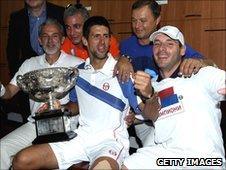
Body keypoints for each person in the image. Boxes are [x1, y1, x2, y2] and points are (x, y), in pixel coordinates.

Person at [11, 16, 155, 170]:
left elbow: (146, 112)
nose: (102, 42)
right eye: (96, 36)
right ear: (85, 41)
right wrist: (60, 109)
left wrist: (142, 106)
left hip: (110, 142)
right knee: (22, 160)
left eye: (106, 36)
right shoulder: (78, 73)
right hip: (81, 138)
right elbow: (76, 104)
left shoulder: (123, 73)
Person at [122, 25, 226, 169]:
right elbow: (148, 114)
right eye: (157, 44)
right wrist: (148, 96)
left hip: (204, 159)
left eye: (170, 44)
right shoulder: (153, 86)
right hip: (168, 158)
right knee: (128, 165)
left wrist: (205, 63)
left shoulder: (202, 74)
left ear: (182, 50)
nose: (162, 48)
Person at [120, 0, 214, 148]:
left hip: (171, 113)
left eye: (143, 21)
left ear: (157, 20)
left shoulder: (169, 43)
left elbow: (208, 62)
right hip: (141, 116)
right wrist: (121, 59)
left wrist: (200, 63)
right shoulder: (125, 45)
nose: (137, 26)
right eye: (134, 20)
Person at [0, 18, 83, 169]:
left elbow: (83, 103)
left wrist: (60, 109)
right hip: (35, 125)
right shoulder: (29, 64)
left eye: (55, 35)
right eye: (45, 36)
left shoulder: (77, 64)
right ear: (39, 40)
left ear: (63, 39)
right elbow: (9, 92)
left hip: (66, 126)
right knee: (1, 149)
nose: (50, 41)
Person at [5, 0, 64, 123]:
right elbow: (12, 50)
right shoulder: (17, 17)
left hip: (58, 70)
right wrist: (19, 78)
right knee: (30, 119)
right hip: (30, 76)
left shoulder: (60, 12)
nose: (49, 40)